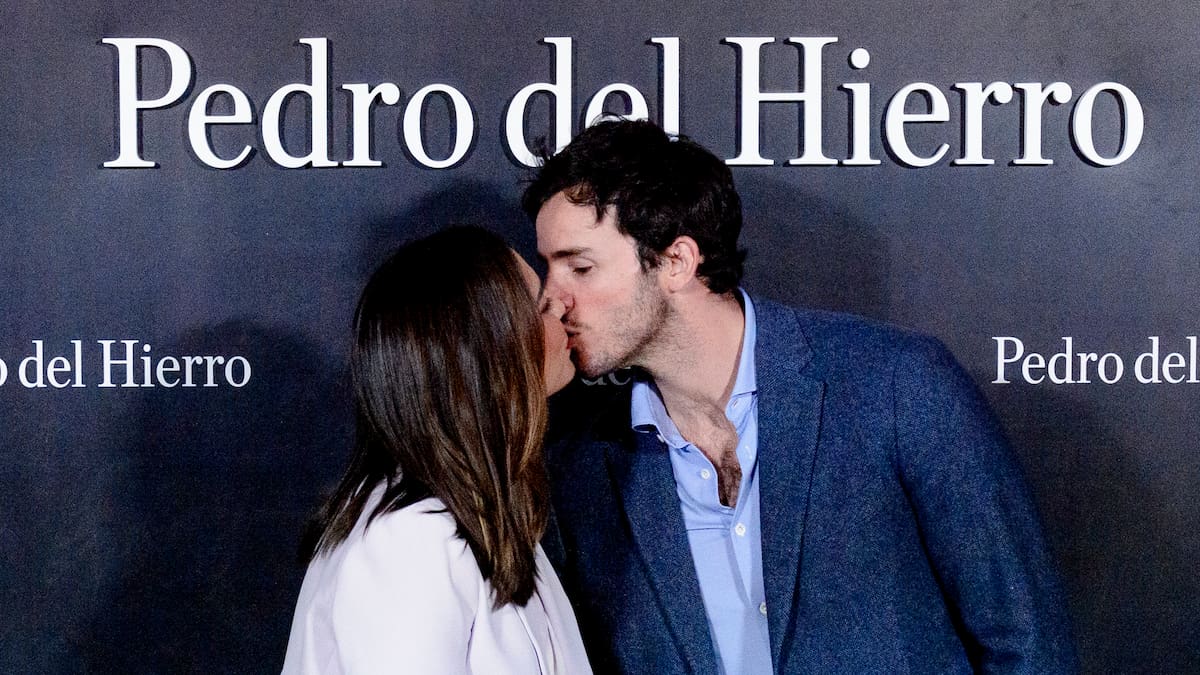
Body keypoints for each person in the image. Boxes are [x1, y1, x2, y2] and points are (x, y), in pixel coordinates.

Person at [524, 120, 1077, 674]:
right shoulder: (578, 469)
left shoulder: (895, 385)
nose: (550, 299)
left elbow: (1026, 643)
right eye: (548, 268)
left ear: (676, 262)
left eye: (580, 267)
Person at [281, 226, 590, 674]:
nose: (561, 306)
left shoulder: (478, 515)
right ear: (488, 354)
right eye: (540, 306)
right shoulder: (408, 542)